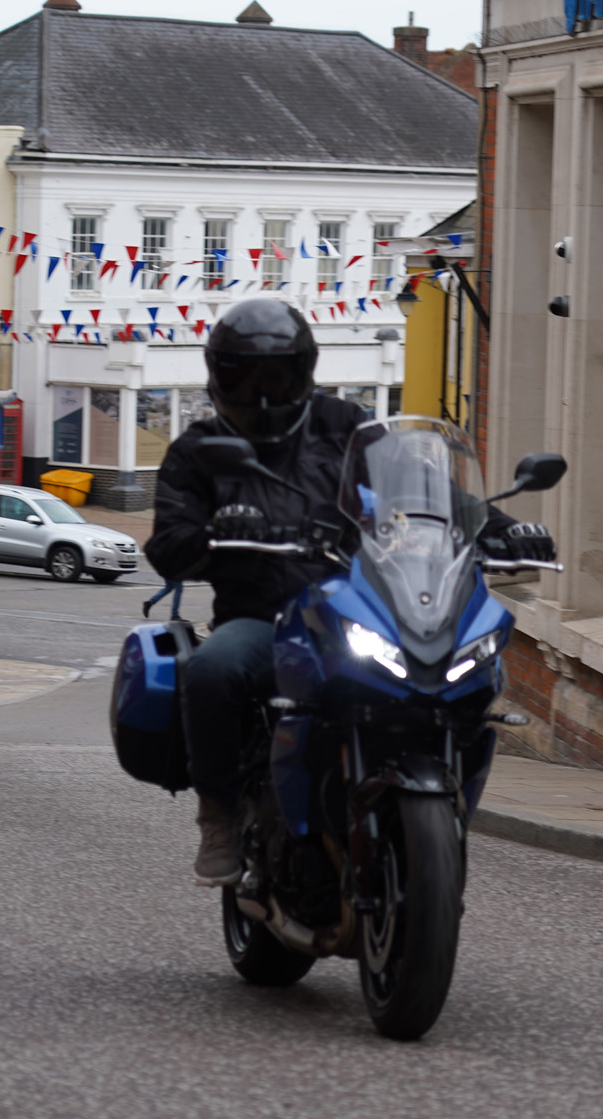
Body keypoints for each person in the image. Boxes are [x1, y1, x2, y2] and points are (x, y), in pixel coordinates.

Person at [147, 299, 552, 884]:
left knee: (446, 674)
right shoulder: (197, 451)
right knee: (212, 670)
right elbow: (167, 544)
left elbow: (422, 491)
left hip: (360, 604)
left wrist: (502, 527)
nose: (263, 391)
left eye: (278, 374)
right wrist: (217, 535)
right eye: (246, 375)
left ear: (304, 371)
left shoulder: (346, 428)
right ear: (220, 375)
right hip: (265, 619)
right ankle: (221, 814)